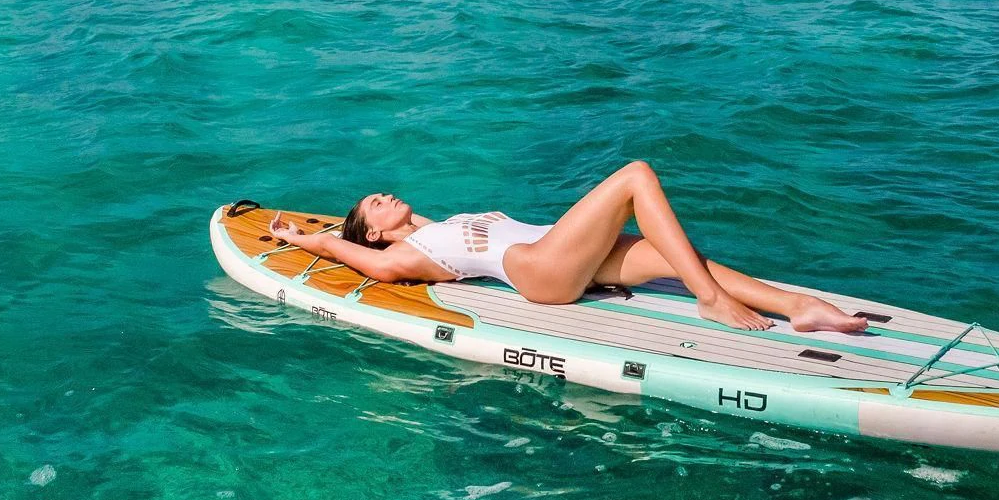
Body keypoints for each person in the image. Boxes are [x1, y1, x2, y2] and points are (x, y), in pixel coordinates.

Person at [267, 161, 869, 333]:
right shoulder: (402, 255)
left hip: (560, 252)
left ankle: (797, 308)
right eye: (374, 203)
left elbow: (410, 223)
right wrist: (305, 239)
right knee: (636, 176)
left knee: (675, 255)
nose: (384, 194)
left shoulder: (438, 224)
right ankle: (710, 300)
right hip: (541, 272)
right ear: (371, 231)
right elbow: (357, 257)